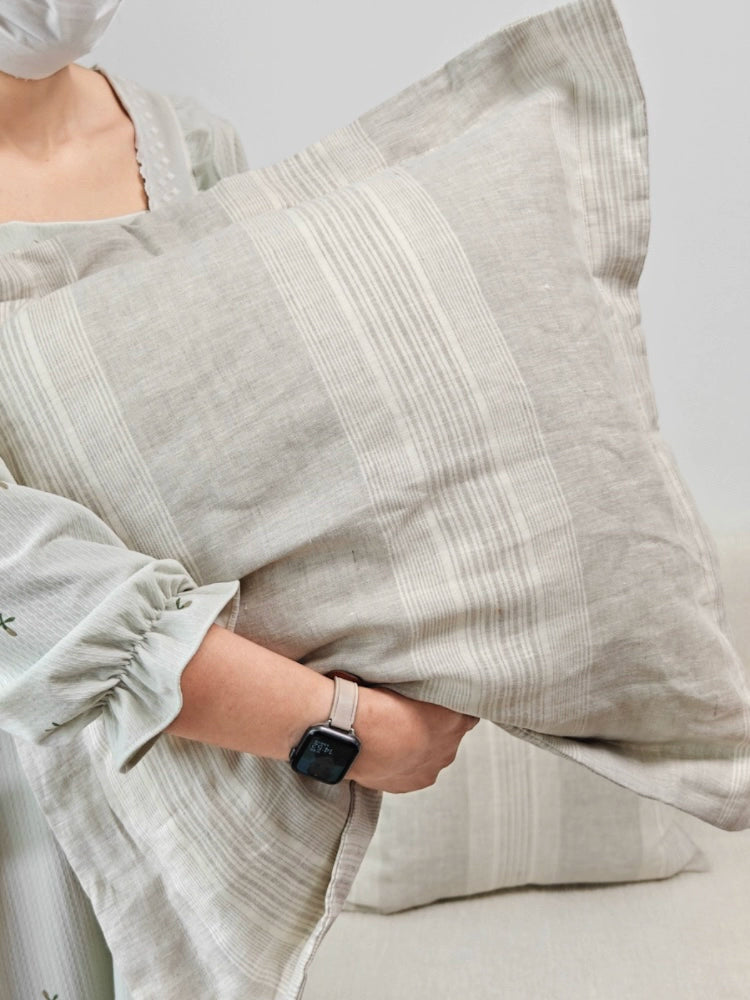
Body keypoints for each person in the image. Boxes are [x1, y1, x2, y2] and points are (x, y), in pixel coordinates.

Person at [0, 3, 479, 998]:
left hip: (206, 766)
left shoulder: (190, 148)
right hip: (45, 789)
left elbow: (271, 440)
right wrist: (340, 732)